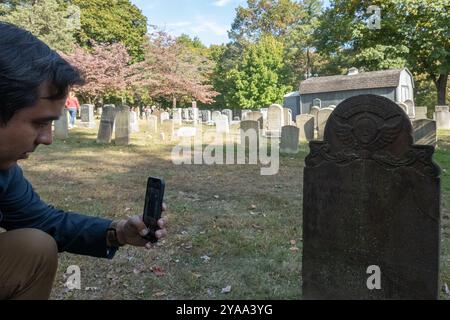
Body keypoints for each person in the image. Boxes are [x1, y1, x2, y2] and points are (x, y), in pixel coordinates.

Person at [0, 22, 168, 300]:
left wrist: (119, 232)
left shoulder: (3, 171)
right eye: (40, 123)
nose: (47, 139)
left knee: (34, 247)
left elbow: (43, 221)